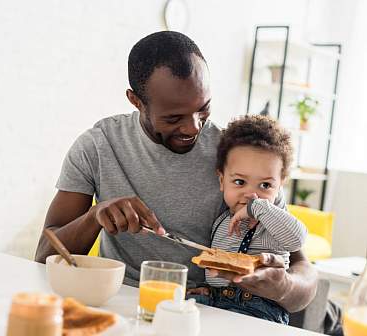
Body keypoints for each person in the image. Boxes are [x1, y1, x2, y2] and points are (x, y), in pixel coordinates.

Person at [35, 31, 317, 313]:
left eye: (203, 109)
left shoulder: (237, 156)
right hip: (126, 305)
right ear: (136, 101)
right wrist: (94, 216)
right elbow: (44, 257)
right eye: (173, 117)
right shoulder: (98, 146)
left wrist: (284, 287)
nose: (194, 127)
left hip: (210, 312)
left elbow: (303, 279)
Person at [186, 115, 308, 324]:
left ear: (280, 186)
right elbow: (216, 275)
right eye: (240, 182)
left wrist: (259, 208)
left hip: (260, 308)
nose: (251, 194)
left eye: (265, 186)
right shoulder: (221, 221)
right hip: (216, 301)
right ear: (222, 181)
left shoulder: (272, 220)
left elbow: (297, 239)